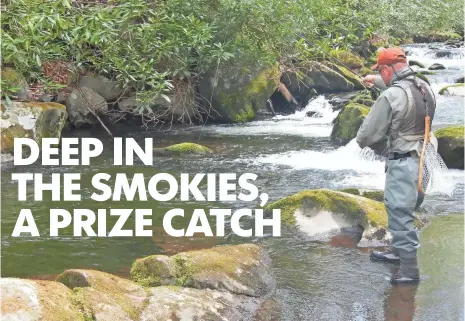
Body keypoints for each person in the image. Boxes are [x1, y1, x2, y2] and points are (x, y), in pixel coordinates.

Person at [356, 47, 436, 284]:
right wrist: (376, 81)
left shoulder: (390, 96)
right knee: (406, 209)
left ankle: (410, 272)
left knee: (399, 213)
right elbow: (403, 92)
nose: (382, 75)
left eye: (381, 71)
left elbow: (365, 137)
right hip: (424, 161)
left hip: (402, 162)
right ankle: (398, 253)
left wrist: (382, 149)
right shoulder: (424, 87)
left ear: (387, 68)